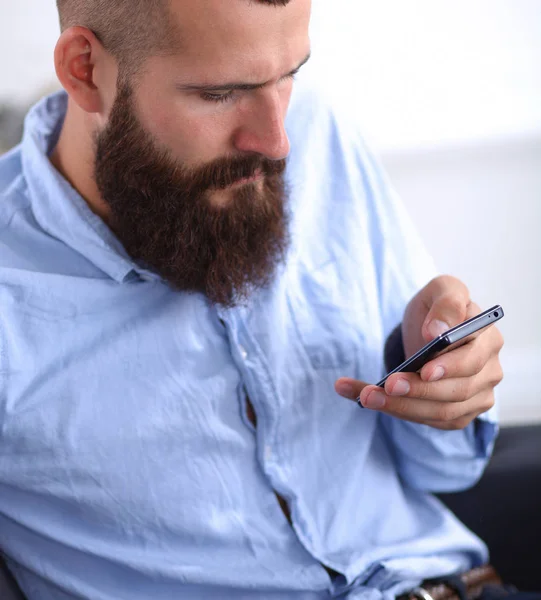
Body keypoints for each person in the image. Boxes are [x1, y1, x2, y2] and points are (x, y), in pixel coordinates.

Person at [0, 0, 527, 599]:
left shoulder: (319, 136)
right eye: (221, 93)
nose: (277, 143)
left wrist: (440, 384)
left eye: (290, 75)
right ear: (85, 69)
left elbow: (448, 469)